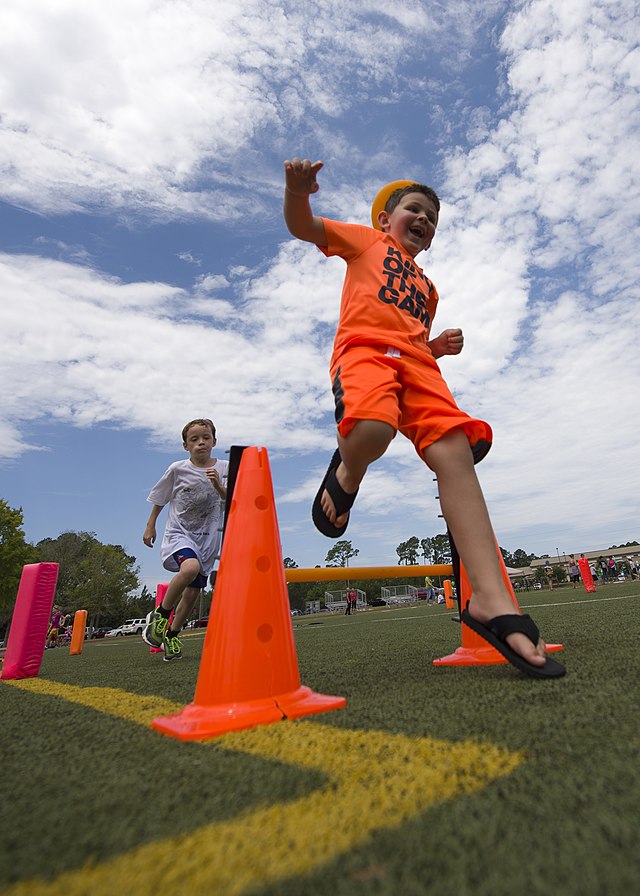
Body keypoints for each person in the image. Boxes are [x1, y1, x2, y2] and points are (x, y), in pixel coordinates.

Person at [283, 157, 565, 679]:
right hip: (366, 353)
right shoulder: (365, 243)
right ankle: (348, 470)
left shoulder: (428, 289)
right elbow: (303, 227)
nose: (425, 220)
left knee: (454, 450)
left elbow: (409, 334)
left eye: (433, 218)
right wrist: (298, 192)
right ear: (385, 221)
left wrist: (433, 346)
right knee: (371, 431)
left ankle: (490, 599)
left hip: (418, 369)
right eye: (415, 209)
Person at [142, 419, 228, 662]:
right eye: (194, 439)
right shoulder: (178, 469)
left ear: (214, 441)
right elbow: (160, 497)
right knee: (189, 568)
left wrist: (217, 484)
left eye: (206, 437)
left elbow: (231, 499)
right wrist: (151, 525)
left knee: (192, 593)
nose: (201, 442)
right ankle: (160, 615)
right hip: (180, 533)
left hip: (208, 540)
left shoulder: (225, 467)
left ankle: (172, 634)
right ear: (185, 445)